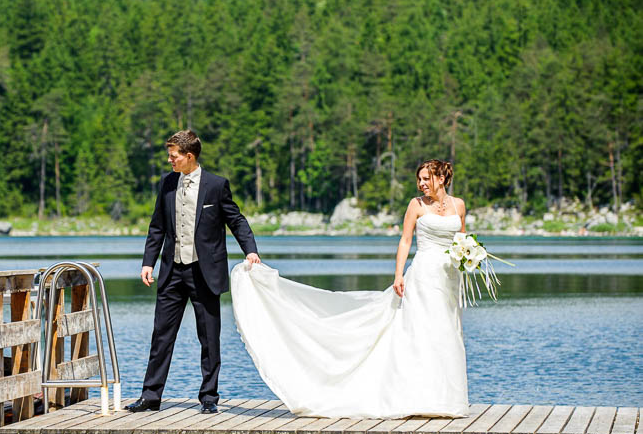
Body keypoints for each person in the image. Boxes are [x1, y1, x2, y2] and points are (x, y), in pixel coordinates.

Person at [230, 159, 469, 419]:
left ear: (442, 179)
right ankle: (419, 396)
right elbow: (405, 241)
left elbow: (462, 240)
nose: (421, 184)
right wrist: (399, 274)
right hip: (423, 275)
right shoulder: (416, 205)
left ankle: (446, 399)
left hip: (449, 277)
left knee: (445, 331)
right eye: (419, 179)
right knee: (421, 332)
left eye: (426, 179)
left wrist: (469, 258)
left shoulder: (459, 206)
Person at [126, 130, 261, 414]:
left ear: (189, 156)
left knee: (209, 338)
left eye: (173, 156)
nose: (169, 160)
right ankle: (151, 397)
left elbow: (236, 220)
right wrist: (148, 262)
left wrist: (250, 250)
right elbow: (157, 226)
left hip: (205, 272)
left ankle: (209, 399)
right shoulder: (166, 183)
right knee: (161, 336)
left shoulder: (216, 185)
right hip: (172, 271)